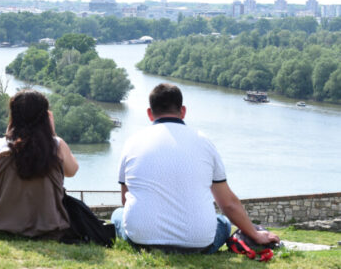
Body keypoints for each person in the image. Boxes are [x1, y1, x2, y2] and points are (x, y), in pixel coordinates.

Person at [111, 83, 280, 254]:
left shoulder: (132, 142)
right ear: (183, 111)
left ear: (149, 113)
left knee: (118, 213)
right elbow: (228, 204)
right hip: (198, 245)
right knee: (223, 222)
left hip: (142, 242)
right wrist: (255, 235)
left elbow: (127, 200)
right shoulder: (205, 142)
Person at [0, 89, 79, 239]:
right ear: (45, 116)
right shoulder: (56, 146)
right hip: (49, 228)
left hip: (0, 225)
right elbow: (72, 170)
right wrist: (52, 134)